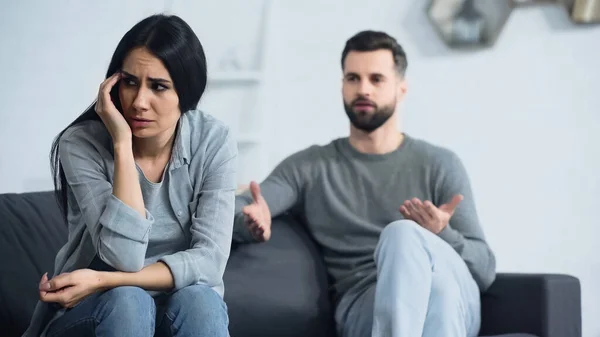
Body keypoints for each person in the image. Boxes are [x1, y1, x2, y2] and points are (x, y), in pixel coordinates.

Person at [233, 30, 496, 337]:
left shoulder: (440, 164)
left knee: (416, 254)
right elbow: (246, 205)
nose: (363, 89)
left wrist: (442, 234)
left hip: (452, 297)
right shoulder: (310, 166)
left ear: (401, 88)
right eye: (353, 78)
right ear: (342, 85)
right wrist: (248, 221)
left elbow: (485, 270)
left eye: (377, 79)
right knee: (409, 249)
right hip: (365, 305)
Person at [23, 14, 237, 337]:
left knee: (201, 302)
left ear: (187, 94)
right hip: (91, 309)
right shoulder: (81, 144)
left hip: (165, 305)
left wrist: (105, 279)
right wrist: (122, 145)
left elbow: (209, 262)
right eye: (130, 82)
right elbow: (124, 256)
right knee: (128, 301)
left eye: (158, 87)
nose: (139, 102)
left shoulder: (213, 141)